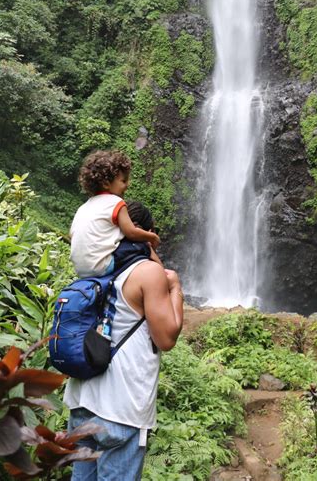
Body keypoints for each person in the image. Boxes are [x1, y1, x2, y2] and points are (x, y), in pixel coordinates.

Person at [64, 202, 184, 481]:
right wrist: (176, 288)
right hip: (121, 408)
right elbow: (166, 338)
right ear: (147, 234)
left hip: (82, 402)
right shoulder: (146, 272)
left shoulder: (94, 267)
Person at [70, 150, 161, 277]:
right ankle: (161, 273)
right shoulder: (116, 202)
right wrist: (152, 237)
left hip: (81, 269)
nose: (128, 185)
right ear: (106, 184)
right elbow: (132, 233)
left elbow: (72, 235)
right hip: (103, 266)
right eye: (124, 181)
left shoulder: (83, 208)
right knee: (142, 245)